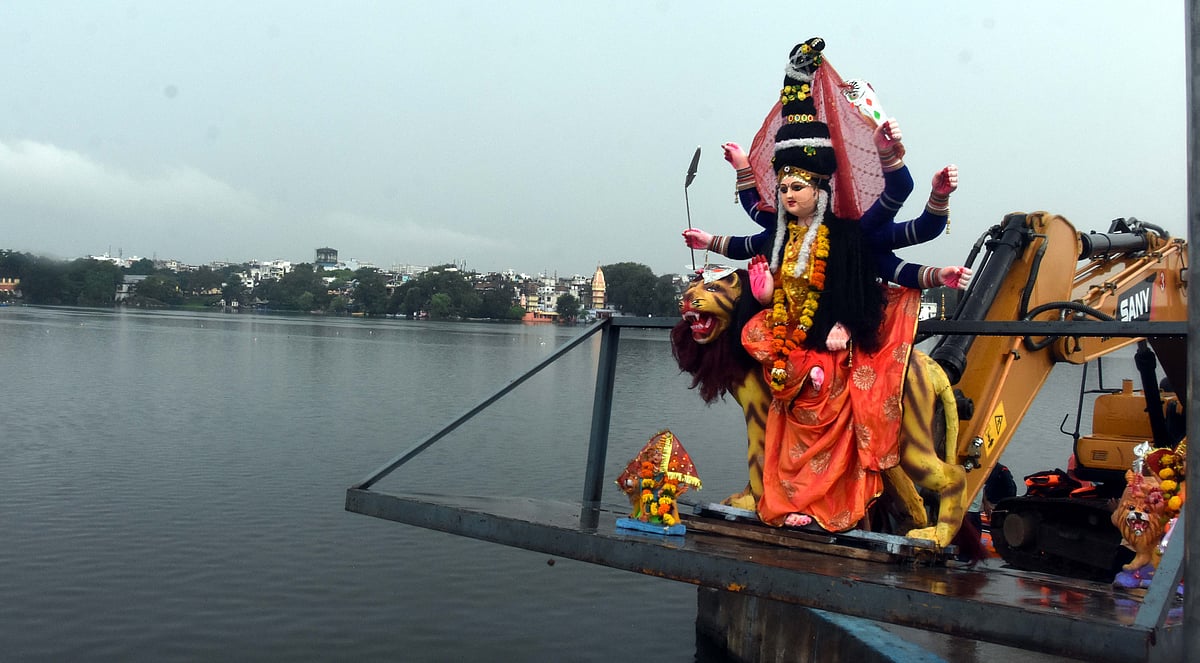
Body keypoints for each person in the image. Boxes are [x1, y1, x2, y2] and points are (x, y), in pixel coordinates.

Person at [681, 38, 966, 530]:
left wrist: (911, 173)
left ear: (822, 188)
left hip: (834, 343)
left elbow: (909, 221)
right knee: (785, 421)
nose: (789, 195)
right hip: (788, 345)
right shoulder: (781, 235)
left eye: (798, 187)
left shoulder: (849, 234)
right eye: (785, 187)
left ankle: (828, 505)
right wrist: (721, 222)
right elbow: (752, 227)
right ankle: (792, 502)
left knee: (830, 410)